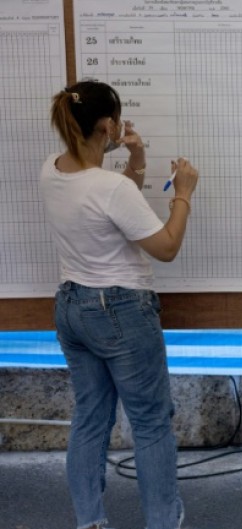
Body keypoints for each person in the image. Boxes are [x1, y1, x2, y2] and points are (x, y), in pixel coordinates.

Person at [41, 80, 198, 529]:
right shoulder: (110, 188)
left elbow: (110, 203)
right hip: (121, 312)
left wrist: (137, 161)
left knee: (90, 417)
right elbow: (165, 247)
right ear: (108, 125)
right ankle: (163, 522)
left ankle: (89, 522)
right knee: (150, 423)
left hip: (72, 306)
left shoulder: (50, 170)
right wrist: (183, 192)